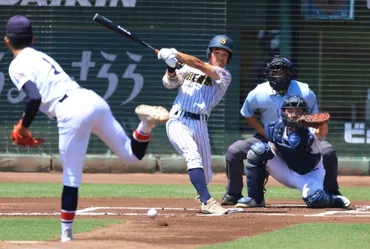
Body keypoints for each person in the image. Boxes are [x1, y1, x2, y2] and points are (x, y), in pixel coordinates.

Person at [4, 14, 169, 242]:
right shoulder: (42, 57)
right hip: (91, 99)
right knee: (132, 156)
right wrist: (24, 122)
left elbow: (34, 98)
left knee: (71, 176)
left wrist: (23, 126)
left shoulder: (16, 64)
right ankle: (146, 123)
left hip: (70, 111)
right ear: (33, 40)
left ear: (7, 40)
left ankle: (66, 238)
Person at [222, 55, 345, 205]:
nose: (279, 77)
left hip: (302, 135)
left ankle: (331, 191)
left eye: (283, 73)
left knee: (328, 151)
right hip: (270, 136)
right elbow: (247, 113)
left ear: (290, 74)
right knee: (235, 150)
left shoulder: (305, 92)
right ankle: (235, 193)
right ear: (268, 74)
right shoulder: (258, 92)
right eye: (275, 74)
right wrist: (263, 131)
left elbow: (314, 119)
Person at [157, 35, 233, 215]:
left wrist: (175, 53)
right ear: (210, 52)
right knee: (192, 154)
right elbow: (170, 83)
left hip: (200, 124)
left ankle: (202, 193)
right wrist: (170, 67)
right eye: (217, 52)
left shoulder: (224, 75)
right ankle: (207, 201)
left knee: (206, 175)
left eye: (224, 54)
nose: (220, 57)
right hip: (178, 119)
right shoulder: (187, 68)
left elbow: (199, 65)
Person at [235, 95, 351, 209]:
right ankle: (255, 198)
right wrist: (262, 171)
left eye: (298, 110)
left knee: (316, 200)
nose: (294, 114)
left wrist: (321, 123)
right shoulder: (275, 128)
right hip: (284, 168)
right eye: (290, 110)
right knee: (258, 150)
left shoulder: (310, 129)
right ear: (283, 112)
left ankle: (334, 199)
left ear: (305, 113)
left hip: (309, 174)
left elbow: (321, 132)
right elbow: (270, 151)